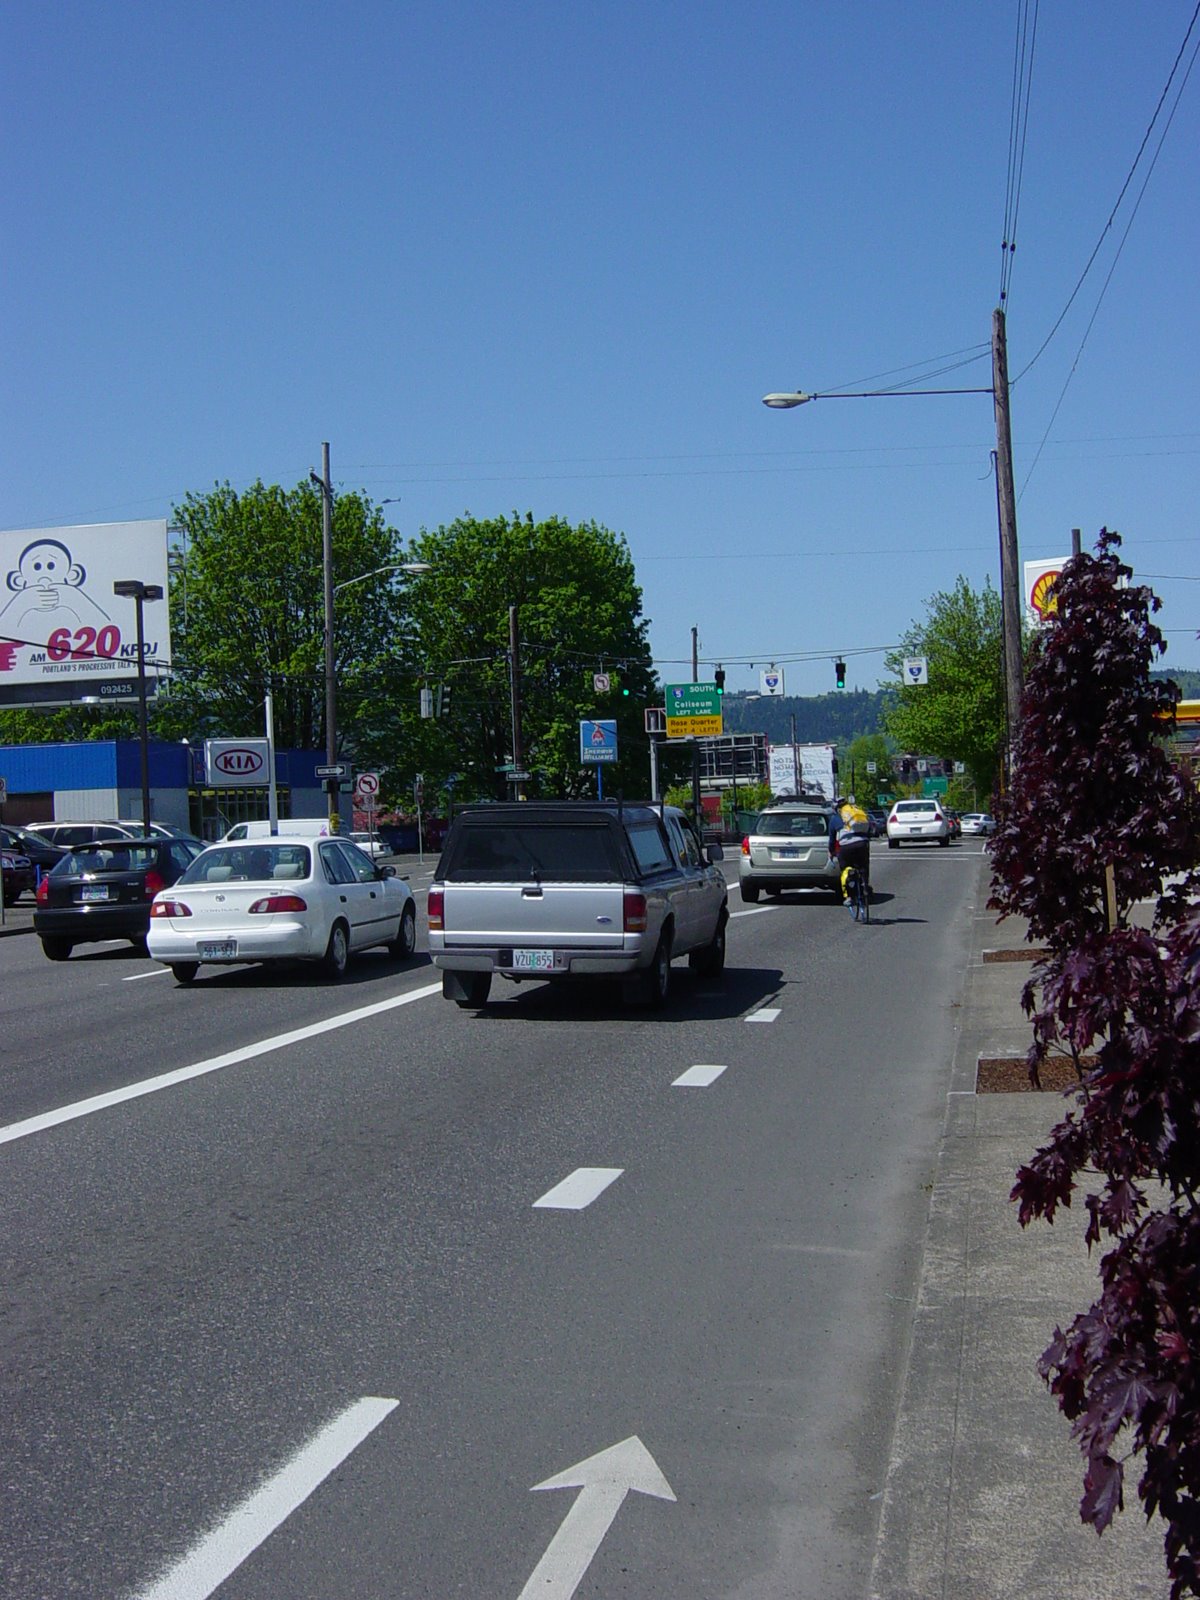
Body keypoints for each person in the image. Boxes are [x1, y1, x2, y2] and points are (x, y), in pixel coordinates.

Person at [835, 816, 871, 907]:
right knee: (864, 866)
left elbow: (832, 839)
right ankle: (865, 886)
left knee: (845, 870)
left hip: (846, 846)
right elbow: (869, 829)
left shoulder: (836, 818)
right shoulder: (858, 814)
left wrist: (831, 852)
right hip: (862, 844)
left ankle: (849, 896)